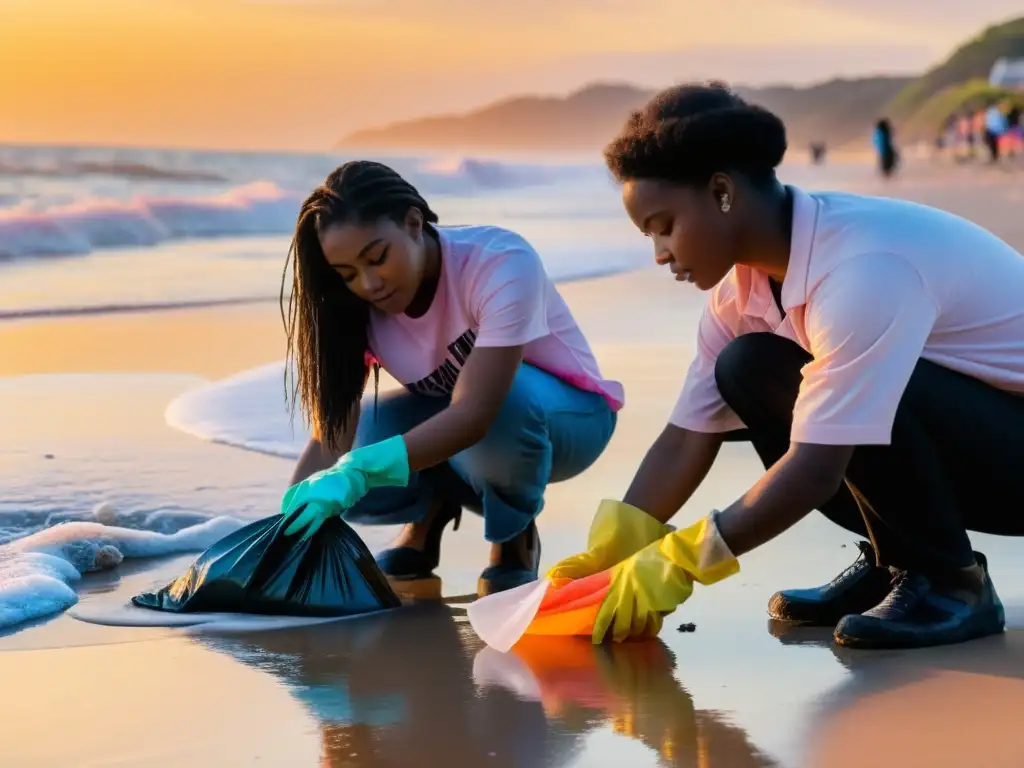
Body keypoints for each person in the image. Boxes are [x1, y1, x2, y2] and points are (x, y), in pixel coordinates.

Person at [548, 83, 1024, 650]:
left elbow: (816, 467)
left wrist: (680, 562)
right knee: (749, 365)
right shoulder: (743, 292)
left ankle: (953, 583)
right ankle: (895, 561)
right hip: (982, 438)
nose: (659, 253)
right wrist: (616, 547)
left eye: (663, 225)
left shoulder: (863, 268)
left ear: (722, 191)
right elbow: (686, 437)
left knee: (855, 391)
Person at [279, 161, 622, 595]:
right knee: (362, 437)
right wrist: (283, 536)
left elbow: (476, 414)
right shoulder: (355, 306)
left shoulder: (498, 262)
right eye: (347, 274)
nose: (369, 284)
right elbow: (331, 436)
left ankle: (513, 536)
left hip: (568, 420)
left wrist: (359, 470)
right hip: (461, 425)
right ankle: (427, 515)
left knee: (500, 407)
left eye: (378, 258)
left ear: (413, 222)